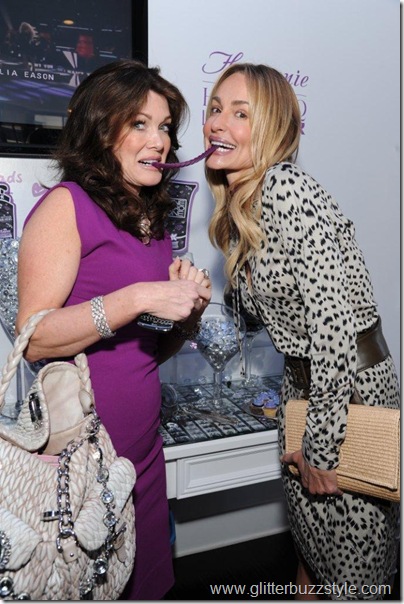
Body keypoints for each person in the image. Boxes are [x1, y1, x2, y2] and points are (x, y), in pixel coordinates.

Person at [16, 59, 212, 600]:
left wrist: (186, 314)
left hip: (142, 455)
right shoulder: (67, 206)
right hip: (80, 463)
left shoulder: (151, 223)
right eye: (139, 124)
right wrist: (137, 297)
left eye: (165, 126)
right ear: (102, 131)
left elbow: (147, 351)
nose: (159, 141)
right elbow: (33, 337)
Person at [203, 62, 399, 599]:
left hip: (349, 392)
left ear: (271, 127)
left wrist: (322, 447)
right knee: (312, 549)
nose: (218, 123)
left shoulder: (286, 187)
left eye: (240, 113)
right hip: (302, 390)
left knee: (354, 572)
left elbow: (334, 333)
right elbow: (259, 314)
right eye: (215, 109)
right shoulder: (242, 207)